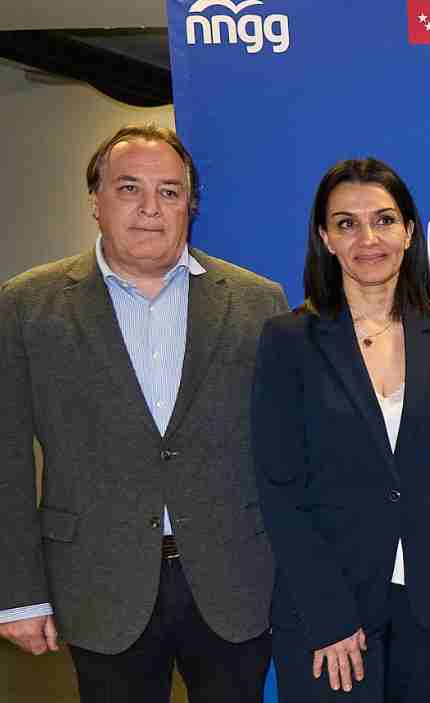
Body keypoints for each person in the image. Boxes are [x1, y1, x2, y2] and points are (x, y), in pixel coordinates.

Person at [0, 124, 287, 701]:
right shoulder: (28, 305)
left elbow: (286, 456)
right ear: (96, 201)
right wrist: (18, 593)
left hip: (234, 581)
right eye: (129, 188)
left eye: (170, 192)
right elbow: (5, 456)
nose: (150, 209)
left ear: (191, 205)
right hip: (98, 582)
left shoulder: (259, 302)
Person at [252, 158, 430, 702]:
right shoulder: (289, 341)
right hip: (332, 610)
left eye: (383, 219)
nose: (367, 238)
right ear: (325, 239)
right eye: (346, 223)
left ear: (409, 232)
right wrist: (328, 616)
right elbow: (279, 488)